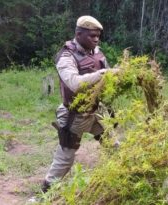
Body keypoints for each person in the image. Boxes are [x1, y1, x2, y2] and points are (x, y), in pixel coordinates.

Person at [41, 15, 119, 192]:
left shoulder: (97, 53)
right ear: (78, 34)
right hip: (75, 113)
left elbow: (108, 81)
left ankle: (122, 179)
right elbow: (74, 83)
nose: (96, 39)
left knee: (113, 146)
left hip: (97, 111)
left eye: (98, 35)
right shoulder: (66, 56)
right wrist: (104, 74)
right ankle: (47, 190)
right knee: (66, 157)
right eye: (92, 35)